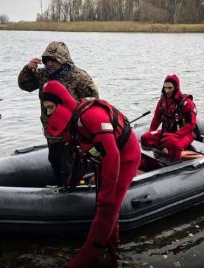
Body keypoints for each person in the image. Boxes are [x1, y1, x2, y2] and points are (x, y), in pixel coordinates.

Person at [42, 80, 141, 268]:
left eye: (50, 107)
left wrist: (106, 195)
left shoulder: (92, 117)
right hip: (104, 158)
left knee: (106, 206)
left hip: (125, 158)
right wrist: (73, 180)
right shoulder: (74, 122)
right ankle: (114, 244)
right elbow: (80, 153)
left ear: (61, 103)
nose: (48, 113)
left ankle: (89, 255)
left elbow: (112, 157)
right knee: (106, 206)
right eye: (45, 109)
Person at [18, 41, 98, 186]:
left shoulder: (79, 77)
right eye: (47, 60)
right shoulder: (42, 75)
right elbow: (25, 85)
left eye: (54, 60)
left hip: (72, 133)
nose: (49, 63)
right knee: (54, 162)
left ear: (63, 60)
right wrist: (28, 70)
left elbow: (93, 101)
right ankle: (62, 188)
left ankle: (74, 190)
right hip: (51, 132)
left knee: (69, 167)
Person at [141, 74, 197, 162]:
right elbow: (156, 119)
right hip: (167, 132)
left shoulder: (186, 102)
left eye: (170, 88)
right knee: (145, 138)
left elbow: (191, 124)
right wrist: (151, 132)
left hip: (185, 133)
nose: (167, 91)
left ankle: (176, 165)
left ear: (176, 87)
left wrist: (176, 135)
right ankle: (154, 159)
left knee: (174, 145)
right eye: (165, 87)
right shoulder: (162, 101)